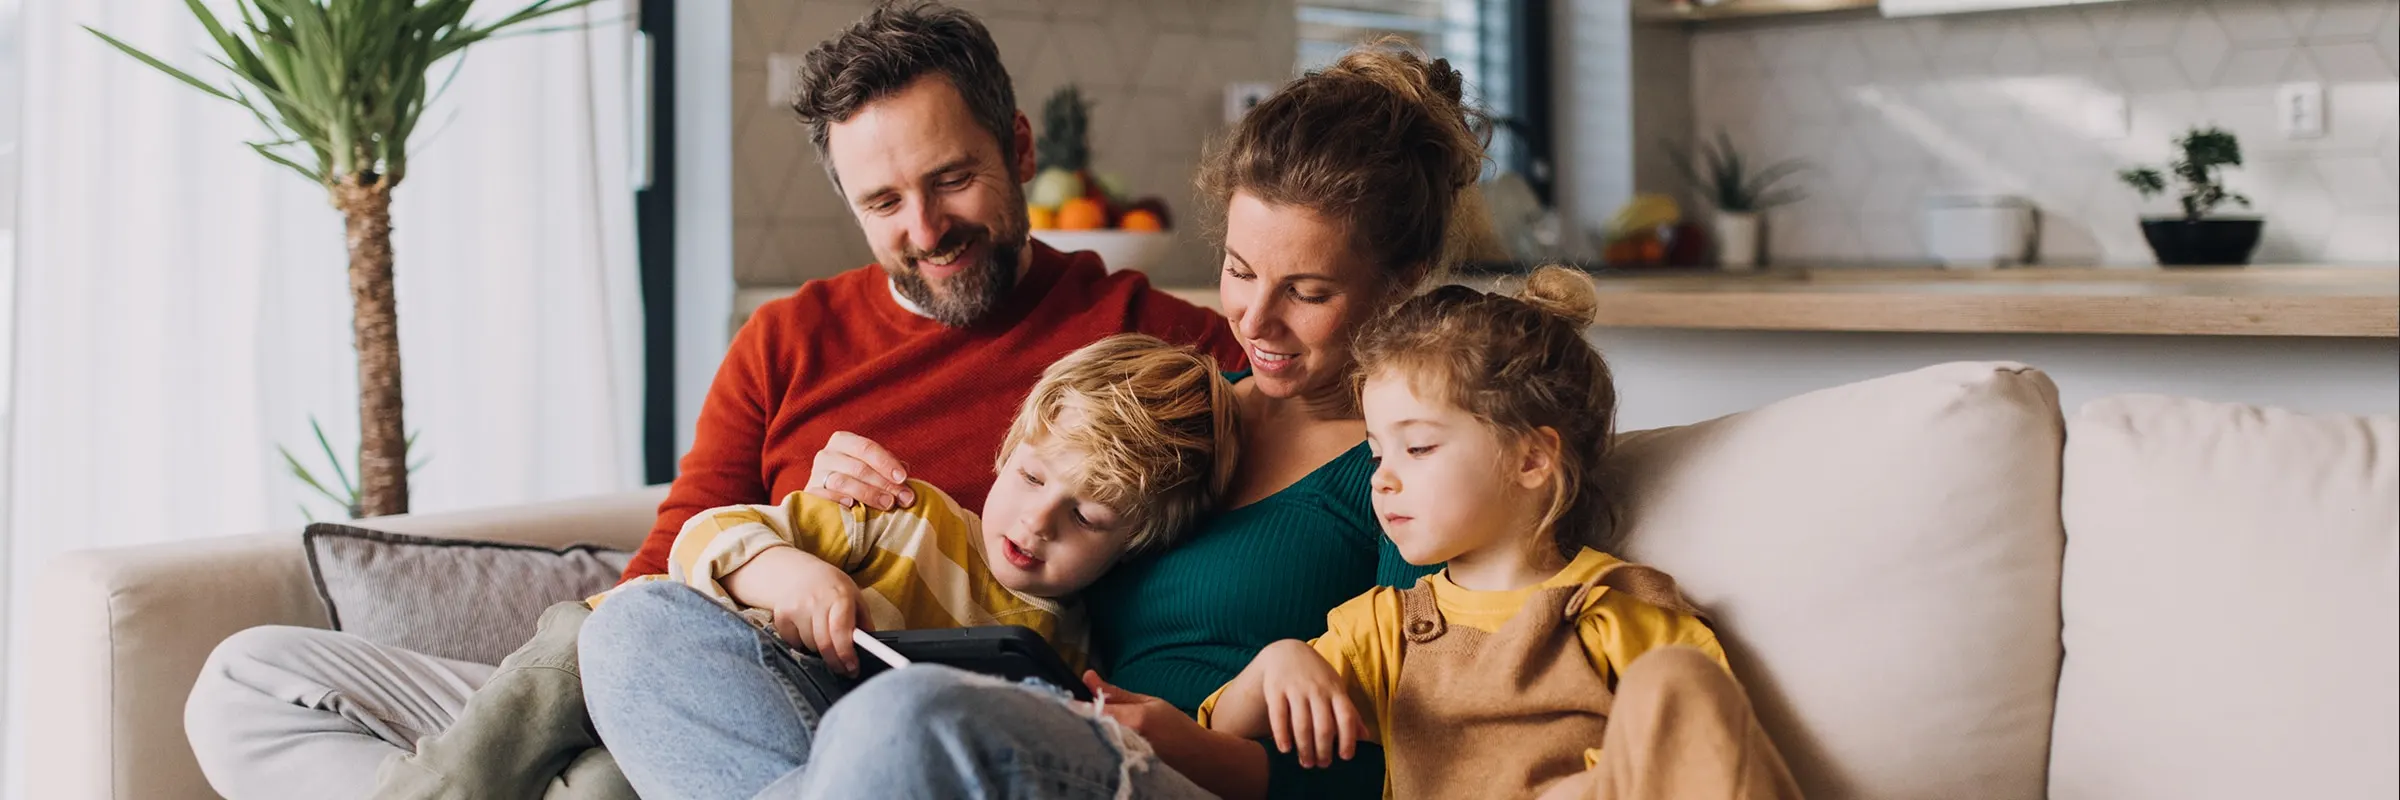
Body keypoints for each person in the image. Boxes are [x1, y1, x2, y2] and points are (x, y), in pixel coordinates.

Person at [179, 0, 1243, 795]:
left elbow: (1313, 438)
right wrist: (781, 557)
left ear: (1017, 149)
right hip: (685, 670)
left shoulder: (1150, 341)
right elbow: (665, 564)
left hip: (868, 730)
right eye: (883, 200)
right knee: (248, 677)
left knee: (605, 782)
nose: (924, 228)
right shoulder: (787, 337)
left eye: (952, 178)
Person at [581, 34, 1500, 800]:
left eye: (1306, 291)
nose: (1252, 322)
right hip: (1010, 729)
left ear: (1402, 282)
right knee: (632, 635)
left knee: (904, 721)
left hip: (1158, 767)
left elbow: (1423, 763)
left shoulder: (1409, 468)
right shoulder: (1176, 397)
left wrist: (1193, 737)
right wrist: (817, 535)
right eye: (1240, 273)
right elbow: (1013, 559)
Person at [375, 334, 1238, 798]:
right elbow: (703, 538)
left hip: (743, 747)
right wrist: (785, 572)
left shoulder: (1072, 647)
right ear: (1007, 449)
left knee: (605, 789)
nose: (1037, 521)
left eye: (1087, 517)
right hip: (649, 648)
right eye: (1032, 476)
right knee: (569, 662)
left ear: (1138, 544)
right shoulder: (906, 514)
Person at [1199, 268, 1803, 800]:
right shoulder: (1386, 630)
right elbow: (1221, 728)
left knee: (1677, 680)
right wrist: (1279, 663)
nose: (1382, 481)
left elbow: (1710, 761)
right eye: (1377, 454)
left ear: (1531, 461)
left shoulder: (1621, 613)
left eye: (1418, 447)